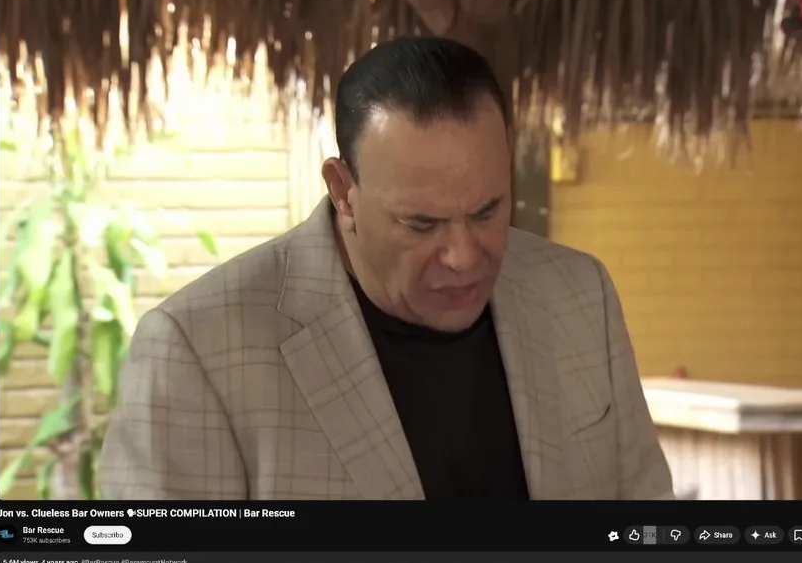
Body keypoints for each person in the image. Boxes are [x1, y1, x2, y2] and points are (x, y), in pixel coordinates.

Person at [98, 36, 675, 501]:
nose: (463, 255)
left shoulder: (578, 292)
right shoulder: (199, 350)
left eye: (487, 211)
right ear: (343, 191)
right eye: (422, 224)